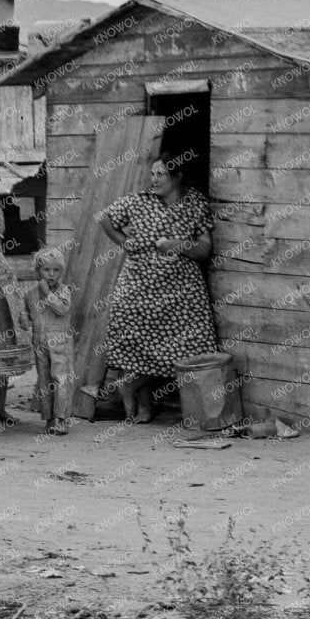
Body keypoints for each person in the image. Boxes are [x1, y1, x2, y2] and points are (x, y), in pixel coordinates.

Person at [98, 157, 218, 423]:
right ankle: (144, 407)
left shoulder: (194, 203)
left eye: (160, 174)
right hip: (139, 287)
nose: (153, 179)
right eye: (152, 174)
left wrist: (177, 244)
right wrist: (124, 242)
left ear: (176, 176)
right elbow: (104, 219)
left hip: (182, 292)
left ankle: (130, 386)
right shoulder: (138, 200)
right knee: (140, 347)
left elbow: (205, 248)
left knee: (194, 345)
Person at [25, 246, 75, 434]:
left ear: (61, 272)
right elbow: (27, 313)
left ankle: (61, 418)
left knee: (61, 379)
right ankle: (48, 419)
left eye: (56, 270)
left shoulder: (64, 290)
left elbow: (62, 309)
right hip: (40, 342)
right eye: (46, 270)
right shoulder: (30, 293)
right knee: (44, 381)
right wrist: (23, 318)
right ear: (38, 271)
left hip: (59, 341)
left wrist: (48, 294)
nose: (51, 274)